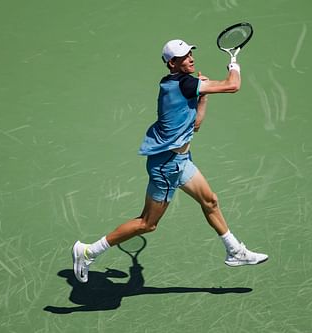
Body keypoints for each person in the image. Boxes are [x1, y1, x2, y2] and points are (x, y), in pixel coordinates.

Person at [72, 39, 268, 283]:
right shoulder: (186, 83)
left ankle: (235, 251)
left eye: (190, 53)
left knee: (210, 201)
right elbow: (233, 85)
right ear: (172, 64)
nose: (190, 58)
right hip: (167, 166)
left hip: (181, 160)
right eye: (184, 56)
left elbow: (195, 125)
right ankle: (88, 252)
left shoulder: (175, 84)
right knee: (147, 224)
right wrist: (234, 64)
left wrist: (203, 96)